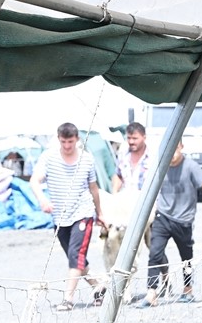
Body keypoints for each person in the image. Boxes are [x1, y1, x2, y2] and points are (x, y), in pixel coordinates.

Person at [139, 139, 202, 307]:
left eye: (175, 148)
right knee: (155, 253)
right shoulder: (159, 165)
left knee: (186, 257)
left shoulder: (191, 166)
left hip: (184, 220)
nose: (172, 154)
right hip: (162, 216)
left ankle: (187, 289)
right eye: (168, 150)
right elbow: (147, 190)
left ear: (181, 147)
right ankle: (151, 292)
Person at [30, 121, 106, 311]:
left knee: (76, 255)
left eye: (70, 142)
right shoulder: (48, 158)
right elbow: (34, 180)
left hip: (83, 212)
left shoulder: (87, 159)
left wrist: (100, 213)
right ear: (58, 140)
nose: (67, 146)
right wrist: (42, 200)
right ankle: (99, 286)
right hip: (60, 217)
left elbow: (93, 188)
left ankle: (68, 299)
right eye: (63, 142)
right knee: (76, 259)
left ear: (77, 140)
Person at [112, 121, 152, 194]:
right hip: (125, 200)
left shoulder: (152, 158)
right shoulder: (123, 155)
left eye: (135, 138)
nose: (131, 141)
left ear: (144, 137)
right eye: (128, 138)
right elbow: (118, 175)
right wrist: (114, 192)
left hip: (145, 202)